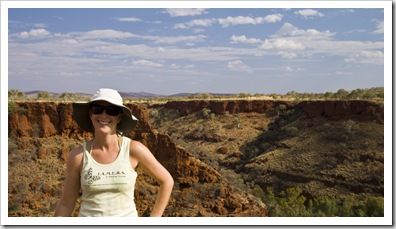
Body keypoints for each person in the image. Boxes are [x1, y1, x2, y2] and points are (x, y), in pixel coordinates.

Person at [54, 88, 174, 217]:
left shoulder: (133, 149)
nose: (104, 115)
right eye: (97, 109)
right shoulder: (79, 156)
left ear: (120, 116)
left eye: (112, 111)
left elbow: (167, 181)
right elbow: (66, 204)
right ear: (90, 114)